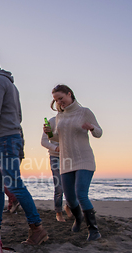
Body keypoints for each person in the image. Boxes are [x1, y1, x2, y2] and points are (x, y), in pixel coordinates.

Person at [0, 51, 48, 245]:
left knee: (14, 183)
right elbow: (19, 117)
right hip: (9, 138)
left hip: (6, 139)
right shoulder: (11, 85)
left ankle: (37, 227)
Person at [44, 84, 103, 241]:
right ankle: (78, 218)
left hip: (84, 159)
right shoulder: (59, 116)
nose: (59, 102)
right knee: (69, 198)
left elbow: (99, 132)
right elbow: (58, 137)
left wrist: (91, 128)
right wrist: (49, 133)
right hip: (66, 161)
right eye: (56, 100)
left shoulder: (84, 112)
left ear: (69, 94)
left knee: (80, 194)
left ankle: (94, 230)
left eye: (61, 98)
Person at [41, 116, 70, 222]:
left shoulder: (70, 120)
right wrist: (55, 148)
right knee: (59, 187)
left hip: (70, 156)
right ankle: (58, 212)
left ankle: (68, 206)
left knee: (71, 185)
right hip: (55, 156)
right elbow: (44, 141)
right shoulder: (52, 121)